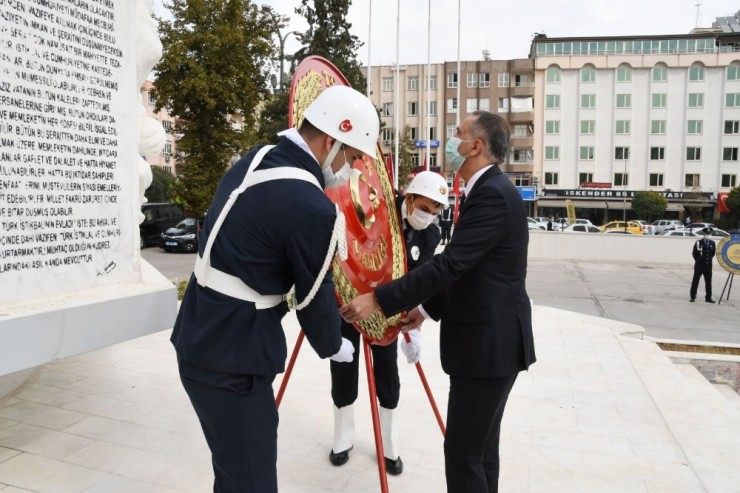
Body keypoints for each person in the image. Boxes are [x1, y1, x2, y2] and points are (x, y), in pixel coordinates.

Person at [170, 85, 380, 492]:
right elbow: (312, 294)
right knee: (252, 481)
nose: (351, 169)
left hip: (198, 332)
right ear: (332, 139)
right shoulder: (312, 205)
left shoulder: (258, 157)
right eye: (353, 156)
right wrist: (334, 343)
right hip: (234, 359)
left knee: (233, 472)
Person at [339, 110, 536, 493]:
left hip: (487, 349)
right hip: (490, 346)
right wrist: (427, 310)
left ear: (475, 146)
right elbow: (470, 271)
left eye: (457, 134)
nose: (450, 141)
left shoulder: (493, 194)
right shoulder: (489, 191)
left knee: (464, 457)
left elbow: (451, 264)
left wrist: (379, 299)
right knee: (480, 455)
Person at [329, 171, 447, 474]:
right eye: (424, 208)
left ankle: (389, 444)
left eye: (435, 212)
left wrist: (416, 325)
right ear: (409, 198)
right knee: (344, 369)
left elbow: (419, 281)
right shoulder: (378, 211)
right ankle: (343, 437)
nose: (428, 217)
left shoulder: (430, 234)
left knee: (388, 376)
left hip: (388, 312)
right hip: (351, 302)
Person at [690, 226, 716, 303]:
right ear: (704, 234)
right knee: (695, 281)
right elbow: (694, 253)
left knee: (708, 282)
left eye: (709, 233)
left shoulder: (712, 243)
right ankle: (693, 296)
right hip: (699, 266)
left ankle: (708, 297)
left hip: (708, 266)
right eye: (706, 233)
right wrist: (698, 261)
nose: (708, 234)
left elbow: (712, 254)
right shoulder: (698, 242)